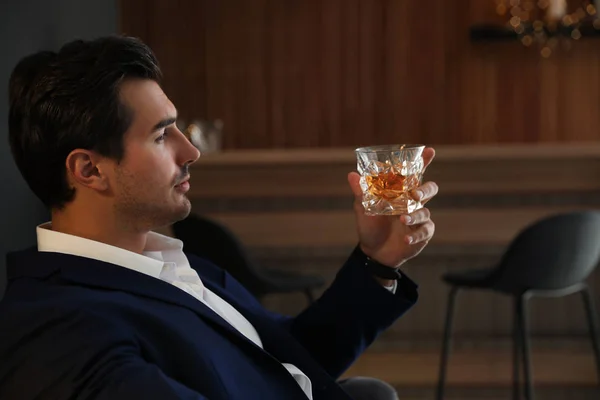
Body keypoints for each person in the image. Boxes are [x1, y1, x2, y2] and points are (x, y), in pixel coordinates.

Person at [0, 35, 438, 400]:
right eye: (160, 136)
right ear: (90, 170)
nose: (190, 152)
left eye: (177, 128)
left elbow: (285, 360)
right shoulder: (58, 329)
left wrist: (377, 261)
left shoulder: (173, 261)